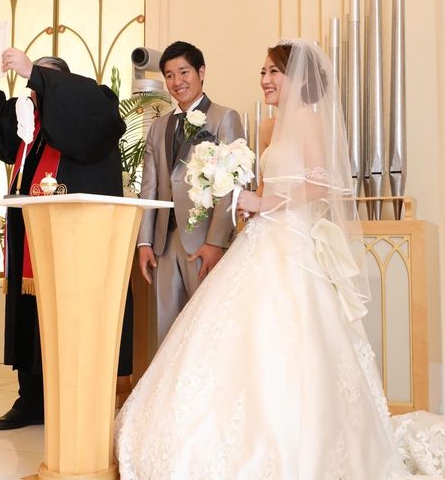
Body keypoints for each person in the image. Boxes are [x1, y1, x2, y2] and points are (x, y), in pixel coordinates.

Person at [115, 39, 444, 478]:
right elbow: (264, 186)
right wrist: (245, 200)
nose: (265, 80)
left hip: (294, 246)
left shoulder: (309, 120)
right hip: (260, 238)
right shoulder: (269, 128)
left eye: (274, 72)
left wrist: (263, 202)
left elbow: (320, 185)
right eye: (263, 72)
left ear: (298, 78)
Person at [0, 48, 126, 430]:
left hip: (74, 244)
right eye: (31, 83)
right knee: (28, 319)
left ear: (64, 84)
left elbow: (87, 111)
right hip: (29, 237)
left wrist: (35, 72)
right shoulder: (28, 125)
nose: (33, 89)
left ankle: (71, 403)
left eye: (41, 80)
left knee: (68, 322)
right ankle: (30, 400)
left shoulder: (90, 110)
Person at [137, 41, 245, 345]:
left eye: (184, 72)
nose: (177, 82)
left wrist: (216, 242)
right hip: (163, 243)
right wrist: (145, 242)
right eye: (169, 75)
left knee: (205, 328)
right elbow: (150, 186)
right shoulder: (158, 127)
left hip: (202, 241)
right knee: (167, 330)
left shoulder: (224, 117)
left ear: (201, 72)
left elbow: (232, 185)